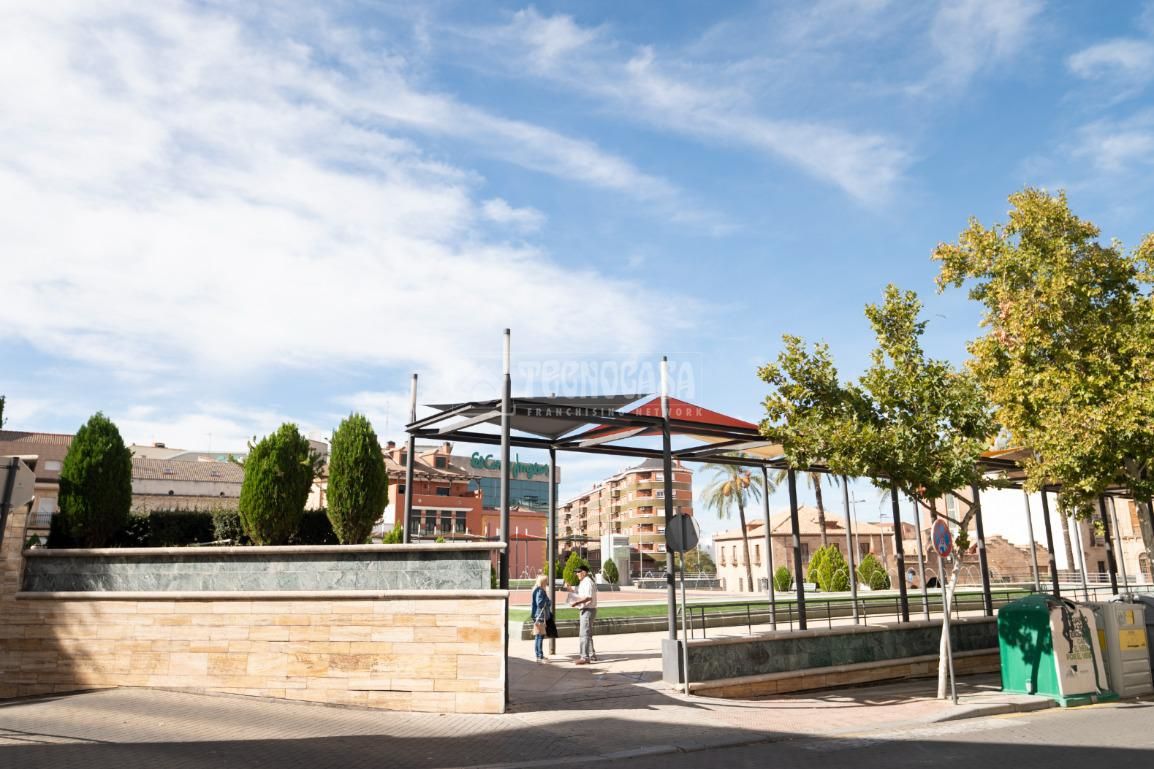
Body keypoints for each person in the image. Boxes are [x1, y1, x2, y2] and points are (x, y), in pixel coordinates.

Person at [572, 564, 598, 664]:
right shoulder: (584, 582)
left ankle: (584, 657)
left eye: (578, 572)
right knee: (588, 634)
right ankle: (592, 655)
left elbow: (588, 597)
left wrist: (576, 603)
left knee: (584, 634)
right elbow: (580, 595)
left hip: (588, 610)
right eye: (576, 572)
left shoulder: (587, 582)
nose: (577, 574)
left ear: (584, 572)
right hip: (588, 610)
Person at [530, 573, 552, 662]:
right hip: (540, 615)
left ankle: (538, 654)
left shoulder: (536, 589)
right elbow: (540, 603)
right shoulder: (540, 590)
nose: (547, 583)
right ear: (543, 582)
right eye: (546, 581)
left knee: (538, 636)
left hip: (537, 615)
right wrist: (548, 601)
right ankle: (540, 656)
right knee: (540, 636)